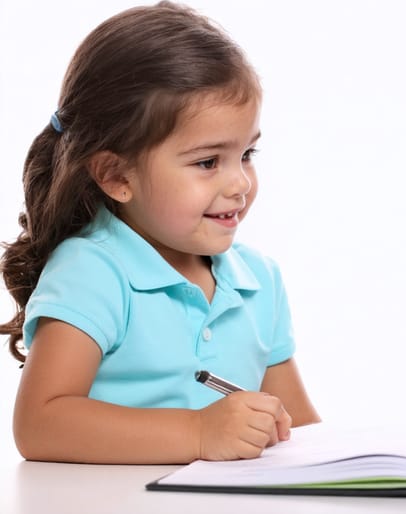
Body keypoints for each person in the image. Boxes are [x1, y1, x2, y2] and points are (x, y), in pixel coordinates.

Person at [0, 1, 319, 464]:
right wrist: (198, 431)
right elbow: (39, 426)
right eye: (208, 162)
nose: (240, 183)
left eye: (247, 154)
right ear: (117, 176)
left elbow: (301, 428)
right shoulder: (93, 271)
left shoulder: (259, 281)